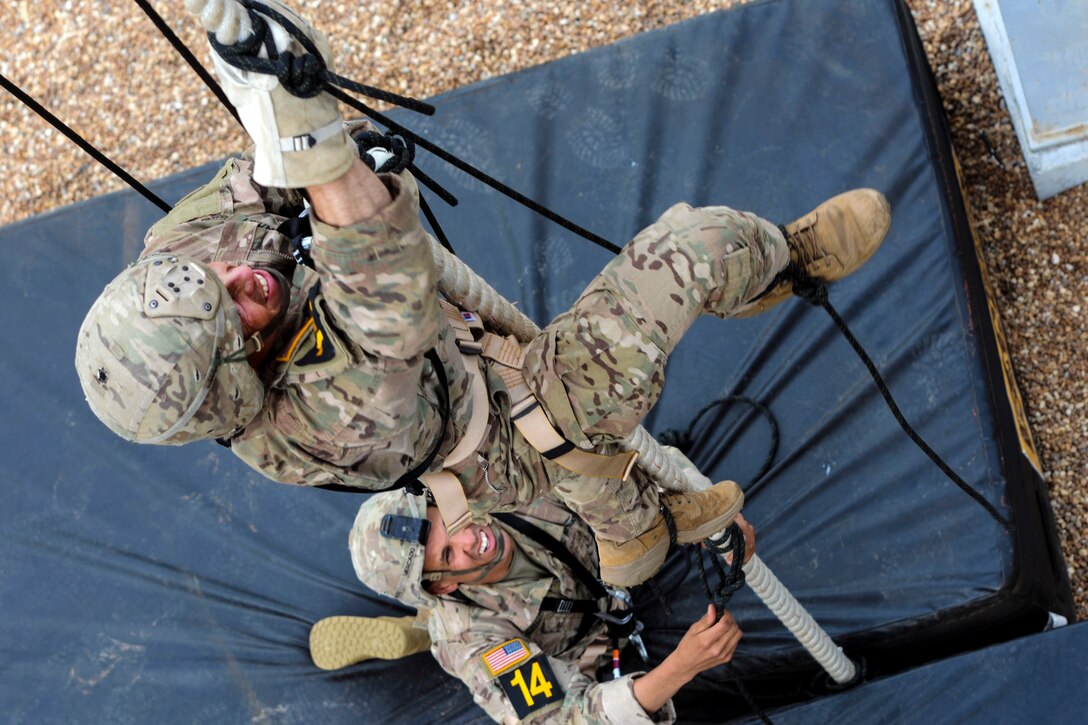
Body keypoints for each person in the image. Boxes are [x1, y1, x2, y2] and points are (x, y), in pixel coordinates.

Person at [74, 0, 890, 586]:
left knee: (605, 492)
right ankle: (786, 262)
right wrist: (323, 159)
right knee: (689, 253)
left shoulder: (178, 269)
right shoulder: (303, 425)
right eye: (239, 315)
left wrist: (278, 102)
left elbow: (256, 188)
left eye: (217, 281)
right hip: (494, 435)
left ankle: (633, 534)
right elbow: (381, 292)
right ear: (236, 382)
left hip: (451, 348)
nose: (242, 279)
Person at [331, 487, 756, 724]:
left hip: (605, 564)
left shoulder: (497, 479)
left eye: (448, 523)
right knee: (457, 636)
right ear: (442, 586)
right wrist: (679, 667)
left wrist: (698, 511)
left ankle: (420, 624)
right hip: (570, 645)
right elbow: (558, 720)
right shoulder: (476, 642)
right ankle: (423, 631)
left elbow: (623, 468)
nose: (470, 539)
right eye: (447, 556)